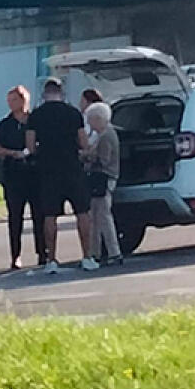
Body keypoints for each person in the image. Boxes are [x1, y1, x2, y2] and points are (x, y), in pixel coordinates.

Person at [26, 77, 98, 273]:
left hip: (48, 170)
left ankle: (51, 260)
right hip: (72, 168)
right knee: (82, 212)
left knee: (49, 215)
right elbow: (83, 142)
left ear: (44, 94)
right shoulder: (73, 113)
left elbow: (31, 147)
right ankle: (87, 256)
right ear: (61, 93)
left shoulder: (36, 115)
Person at [0, 85, 45, 269]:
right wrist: (12, 153)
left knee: (39, 215)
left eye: (14, 100)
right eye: (9, 100)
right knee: (15, 217)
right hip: (13, 176)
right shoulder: (5, 124)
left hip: (35, 175)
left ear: (23, 100)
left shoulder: (35, 120)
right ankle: (15, 255)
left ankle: (42, 252)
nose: (11, 104)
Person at [83, 101, 123, 266]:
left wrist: (88, 156)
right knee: (98, 217)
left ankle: (111, 252)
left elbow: (103, 160)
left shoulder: (106, 136)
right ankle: (97, 251)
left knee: (102, 216)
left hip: (103, 179)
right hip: (106, 178)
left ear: (98, 119)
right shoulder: (106, 134)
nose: (89, 123)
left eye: (91, 119)